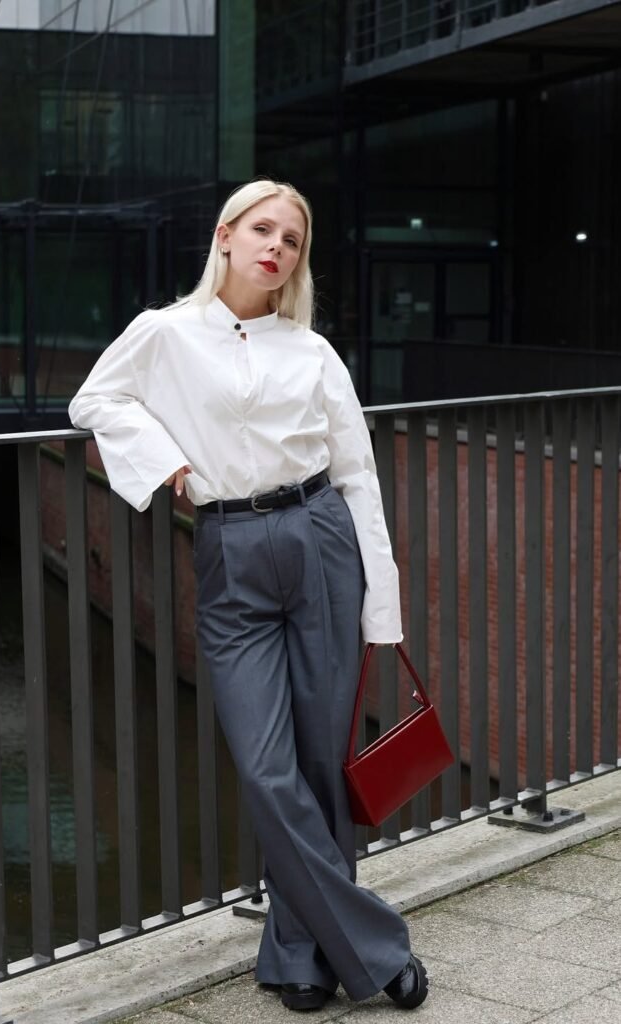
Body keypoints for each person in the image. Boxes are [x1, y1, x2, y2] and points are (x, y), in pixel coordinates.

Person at [68, 179, 428, 1013]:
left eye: (292, 240)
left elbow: (356, 474)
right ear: (226, 236)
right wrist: (171, 467)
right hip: (230, 547)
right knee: (268, 771)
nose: (276, 247)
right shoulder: (164, 332)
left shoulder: (310, 352)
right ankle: (374, 945)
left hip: (320, 540)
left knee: (317, 764)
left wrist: (383, 606)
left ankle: (300, 954)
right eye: (262, 229)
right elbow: (96, 399)